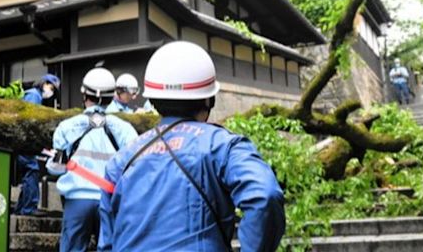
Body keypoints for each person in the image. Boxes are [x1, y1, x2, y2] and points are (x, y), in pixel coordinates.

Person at [98, 41, 285, 251]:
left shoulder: (121, 159)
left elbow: (107, 241)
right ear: (209, 99)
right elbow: (265, 195)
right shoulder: (223, 146)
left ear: (153, 99)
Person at [47, 67, 137, 252]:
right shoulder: (124, 129)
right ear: (111, 96)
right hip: (110, 200)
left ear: (84, 94)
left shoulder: (67, 126)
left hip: (77, 200)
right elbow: (134, 166)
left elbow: (55, 168)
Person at [15, 73, 60, 216]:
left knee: (28, 174)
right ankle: (28, 209)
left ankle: (21, 209)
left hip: (23, 143)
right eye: (50, 87)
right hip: (25, 144)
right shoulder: (34, 96)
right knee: (32, 170)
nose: (50, 91)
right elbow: (30, 123)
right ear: (43, 83)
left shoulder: (33, 96)